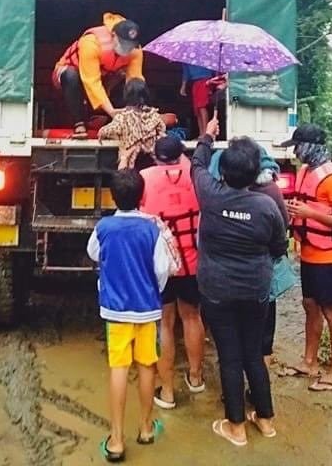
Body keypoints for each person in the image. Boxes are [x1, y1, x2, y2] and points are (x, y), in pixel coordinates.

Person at [192, 118, 286, 446]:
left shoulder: (210, 196)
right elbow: (279, 248)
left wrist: (208, 134)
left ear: (225, 172)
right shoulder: (267, 206)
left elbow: (197, 163)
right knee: (252, 354)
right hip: (256, 293)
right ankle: (265, 419)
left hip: (217, 292)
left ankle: (235, 426)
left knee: (229, 356)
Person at [87, 169, 179, 462]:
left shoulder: (103, 227)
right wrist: (150, 290)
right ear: (143, 196)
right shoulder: (152, 229)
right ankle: (146, 427)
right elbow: (163, 270)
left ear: (111, 196)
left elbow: (93, 253)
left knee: (119, 368)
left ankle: (115, 439)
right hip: (147, 310)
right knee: (147, 365)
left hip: (115, 310)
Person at [281, 124, 332, 392]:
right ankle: (309, 361)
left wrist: (310, 214)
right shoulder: (304, 172)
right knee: (309, 304)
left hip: (329, 256)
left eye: (298, 146)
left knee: (331, 311)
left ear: (311, 146)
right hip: (309, 251)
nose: (295, 152)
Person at [139, 136, 205, 410]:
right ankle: (196, 377)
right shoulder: (196, 176)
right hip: (193, 262)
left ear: (155, 157)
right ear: (181, 154)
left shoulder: (144, 177)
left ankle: (167, 392)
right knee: (192, 317)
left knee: (165, 323)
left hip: (162, 266)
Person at [208, 147, 289, 368]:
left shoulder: (215, 198)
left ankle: (232, 387)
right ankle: (260, 383)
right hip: (260, 283)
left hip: (225, 284)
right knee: (261, 338)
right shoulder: (270, 192)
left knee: (230, 340)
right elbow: (281, 238)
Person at [53, 12, 143, 138]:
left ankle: (119, 124)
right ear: (113, 36)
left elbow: (135, 80)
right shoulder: (91, 42)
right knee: (71, 75)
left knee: (126, 82)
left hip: (105, 77)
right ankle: (79, 124)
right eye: (123, 44)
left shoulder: (136, 51)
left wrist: (136, 110)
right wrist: (111, 110)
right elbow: (91, 81)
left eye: (130, 46)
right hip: (73, 74)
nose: (126, 50)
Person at [98, 79, 167, 169]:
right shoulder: (154, 114)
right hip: (151, 161)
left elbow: (107, 131)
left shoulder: (123, 117)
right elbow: (162, 128)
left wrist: (101, 133)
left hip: (131, 162)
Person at [180, 63, 218, 136]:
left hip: (205, 81)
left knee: (202, 106)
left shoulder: (206, 53)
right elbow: (186, 72)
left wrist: (214, 80)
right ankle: (201, 133)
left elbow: (214, 68)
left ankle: (206, 133)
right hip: (195, 83)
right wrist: (183, 86)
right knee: (197, 109)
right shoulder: (186, 57)